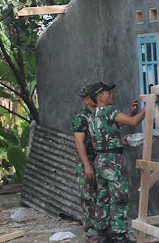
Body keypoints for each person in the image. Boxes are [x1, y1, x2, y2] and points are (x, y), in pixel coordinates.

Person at [88, 81, 145, 243]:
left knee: (103, 197)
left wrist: (120, 139)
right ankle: (120, 236)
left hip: (100, 160)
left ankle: (103, 234)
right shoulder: (109, 110)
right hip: (112, 161)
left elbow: (98, 139)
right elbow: (133, 122)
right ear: (100, 97)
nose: (111, 95)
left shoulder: (93, 116)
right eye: (108, 93)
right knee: (120, 197)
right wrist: (151, 106)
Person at [73, 85, 98, 243]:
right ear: (87, 100)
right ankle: (91, 233)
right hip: (87, 161)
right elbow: (79, 142)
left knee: (100, 196)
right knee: (88, 197)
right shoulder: (81, 118)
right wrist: (87, 165)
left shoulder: (99, 115)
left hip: (100, 160)